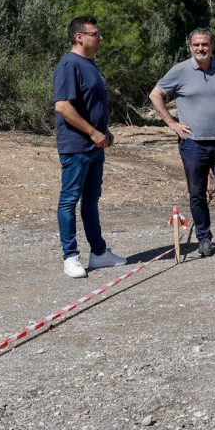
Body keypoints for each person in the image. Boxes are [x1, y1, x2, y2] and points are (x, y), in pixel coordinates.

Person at [149, 28, 215, 258]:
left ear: (212, 45)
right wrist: (173, 124)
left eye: (204, 44)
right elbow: (155, 95)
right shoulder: (180, 71)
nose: (200, 48)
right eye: (196, 44)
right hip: (193, 143)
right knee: (197, 194)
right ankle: (204, 239)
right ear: (190, 47)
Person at [53, 16, 126, 278]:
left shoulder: (90, 64)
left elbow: (91, 104)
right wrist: (93, 132)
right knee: (69, 200)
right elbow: (62, 107)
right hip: (76, 146)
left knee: (91, 200)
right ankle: (70, 257)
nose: (100, 38)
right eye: (95, 34)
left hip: (95, 145)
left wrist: (104, 131)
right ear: (79, 37)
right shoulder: (69, 64)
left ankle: (98, 253)